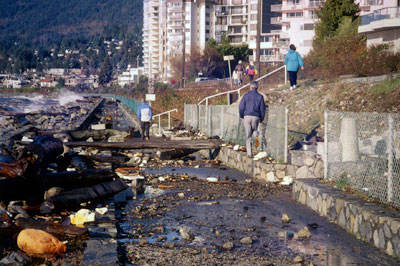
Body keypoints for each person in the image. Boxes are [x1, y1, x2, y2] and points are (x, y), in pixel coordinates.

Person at [239, 80, 266, 158]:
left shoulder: (246, 96)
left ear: (250, 87)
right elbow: (262, 109)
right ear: (257, 87)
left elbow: (241, 107)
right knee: (255, 131)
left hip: (247, 116)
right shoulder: (260, 97)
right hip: (256, 117)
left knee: (248, 135)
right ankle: (257, 146)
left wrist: (241, 115)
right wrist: (261, 118)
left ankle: (249, 153)